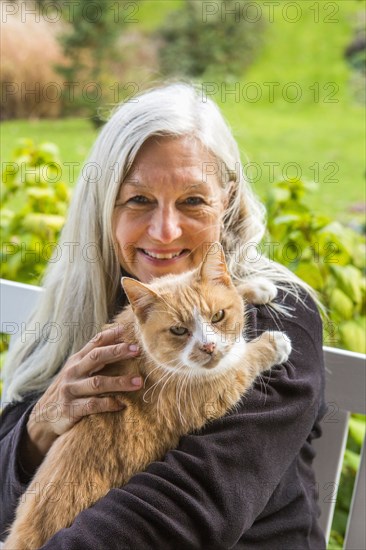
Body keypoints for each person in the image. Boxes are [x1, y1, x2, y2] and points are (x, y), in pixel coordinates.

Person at [0, 83, 326, 549]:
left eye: (193, 201)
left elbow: (184, 508)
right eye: (139, 200)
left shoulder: (271, 316)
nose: (165, 231)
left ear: (227, 200)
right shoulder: (90, 302)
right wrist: (40, 426)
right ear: (104, 206)